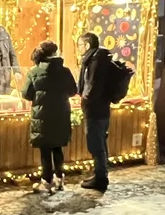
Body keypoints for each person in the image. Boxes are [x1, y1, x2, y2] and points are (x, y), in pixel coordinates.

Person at [22, 41, 77, 193]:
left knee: (45, 150)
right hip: (61, 114)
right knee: (57, 147)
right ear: (55, 52)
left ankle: (46, 182)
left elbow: (26, 93)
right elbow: (73, 90)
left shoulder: (34, 71)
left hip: (42, 115)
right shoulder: (65, 71)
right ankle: (59, 180)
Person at [76, 32, 113, 192]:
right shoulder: (98, 59)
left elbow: (92, 84)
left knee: (96, 144)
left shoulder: (95, 61)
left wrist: (85, 99)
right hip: (101, 108)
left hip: (95, 109)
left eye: (80, 45)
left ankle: (101, 178)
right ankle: (99, 175)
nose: (78, 48)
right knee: (99, 143)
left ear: (88, 45)